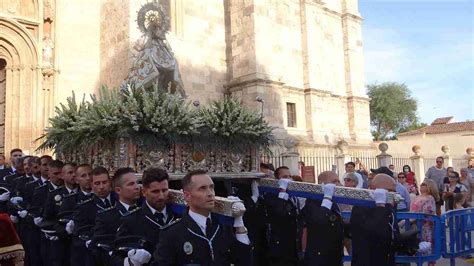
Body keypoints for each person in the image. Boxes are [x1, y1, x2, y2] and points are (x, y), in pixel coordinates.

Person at [153, 169, 251, 265]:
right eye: (202, 188)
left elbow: (244, 260)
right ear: (187, 196)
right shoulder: (172, 234)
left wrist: (239, 226)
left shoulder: (222, 227)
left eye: (211, 187)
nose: (210, 193)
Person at [350, 173, 431, 266]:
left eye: (394, 191)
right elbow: (373, 234)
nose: (393, 195)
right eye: (390, 191)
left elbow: (392, 238)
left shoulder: (388, 208)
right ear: (374, 189)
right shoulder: (360, 207)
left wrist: (415, 245)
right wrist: (380, 207)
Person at [113, 167, 181, 265]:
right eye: (155, 191)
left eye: (164, 190)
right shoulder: (131, 221)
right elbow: (116, 256)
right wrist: (130, 262)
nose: (161, 196)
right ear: (144, 192)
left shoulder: (178, 216)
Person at [261, 166, 302, 265]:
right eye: (285, 176)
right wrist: (282, 193)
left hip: (293, 248)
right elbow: (278, 213)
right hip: (279, 248)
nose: (288, 179)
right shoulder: (271, 196)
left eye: (290, 176)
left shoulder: (294, 197)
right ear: (277, 180)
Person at [301, 171, 344, 265]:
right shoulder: (313, 200)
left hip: (334, 256)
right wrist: (327, 198)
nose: (338, 184)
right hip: (319, 257)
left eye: (338, 181)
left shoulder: (335, 201)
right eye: (334, 181)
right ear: (322, 183)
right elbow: (318, 219)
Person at [410, 179, 438, 266]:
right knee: (418, 245)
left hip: (426, 225)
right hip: (414, 223)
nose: (422, 186)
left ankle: (430, 263)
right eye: (421, 184)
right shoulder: (416, 197)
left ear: (429, 187)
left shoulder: (430, 198)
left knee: (427, 245)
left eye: (424, 184)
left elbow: (428, 211)